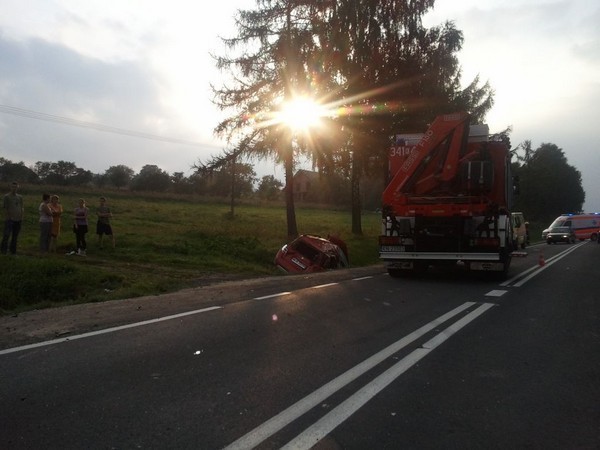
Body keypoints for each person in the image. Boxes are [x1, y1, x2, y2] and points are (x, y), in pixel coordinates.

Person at [1, 181, 24, 255]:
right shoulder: (7, 197)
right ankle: (3, 251)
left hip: (18, 219)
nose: (14, 188)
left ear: (18, 187)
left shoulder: (20, 197)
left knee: (15, 236)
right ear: (10, 187)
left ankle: (13, 251)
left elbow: (22, 207)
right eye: (13, 187)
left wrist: (21, 216)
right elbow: (5, 208)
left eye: (16, 187)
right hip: (10, 219)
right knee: (6, 235)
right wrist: (8, 217)